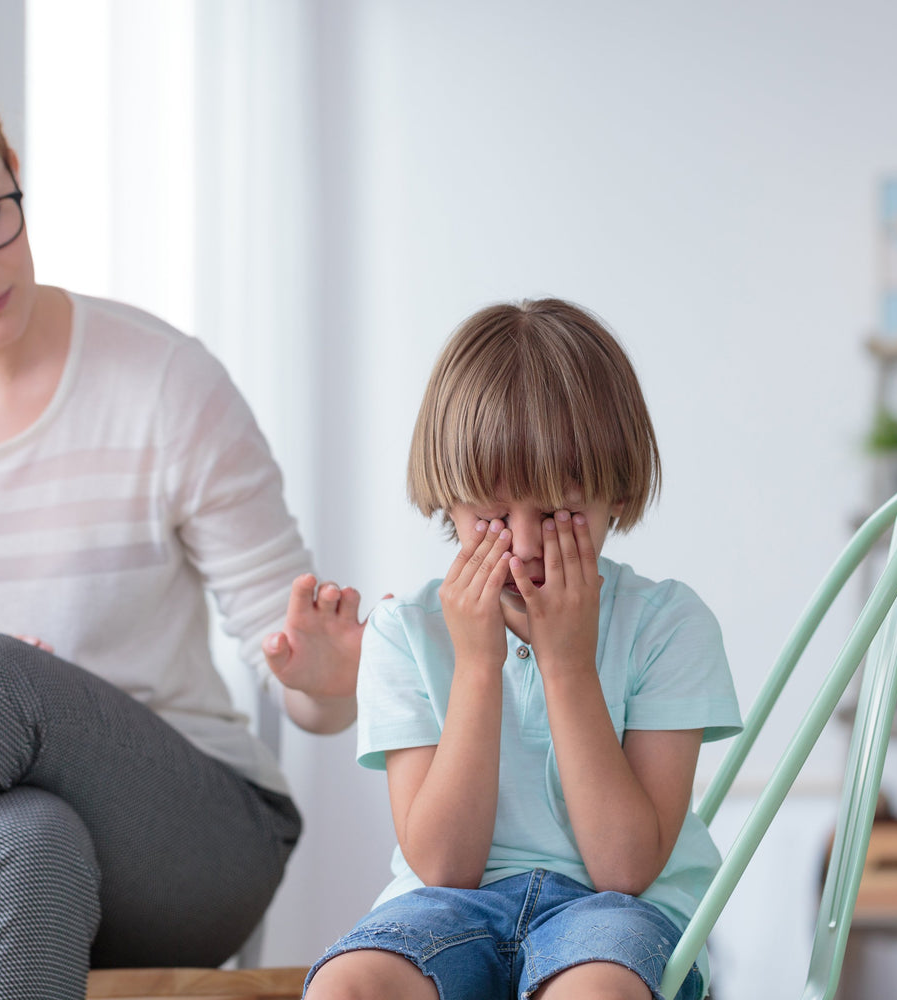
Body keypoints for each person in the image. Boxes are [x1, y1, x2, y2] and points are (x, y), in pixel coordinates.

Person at [0, 14, 365, 999]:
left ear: (10, 162)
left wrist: (327, 683)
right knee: (23, 829)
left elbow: (301, 676)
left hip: (197, 840)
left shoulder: (166, 380)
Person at [303, 300, 744, 1000]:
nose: (529, 543)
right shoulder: (406, 632)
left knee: (595, 991)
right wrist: (477, 665)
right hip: (449, 907)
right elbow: (444, 867)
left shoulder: (668, 624)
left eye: (558, 512)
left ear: (615, 496)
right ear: (448, 502)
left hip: (615, 915)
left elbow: (625, 868)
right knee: (346, 985)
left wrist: (568, 664)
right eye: (493, 516)